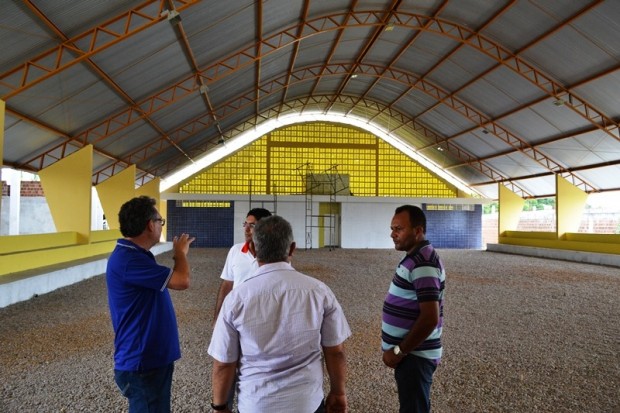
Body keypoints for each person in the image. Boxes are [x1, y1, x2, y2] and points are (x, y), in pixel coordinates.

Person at [208, 215, 351, 413]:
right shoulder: (319, 292)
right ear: (292, 248)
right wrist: (338, 392)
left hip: (255, 403)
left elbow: (223, 363)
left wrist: (220, 406)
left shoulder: (236, 299)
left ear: (254, 250)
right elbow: (335, 351)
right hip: (306, 403)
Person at [106, 196, 195, 413]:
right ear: (149, 224)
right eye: (160, 221)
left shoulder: (137, 255)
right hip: (143, 361)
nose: (160, 225)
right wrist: (180, 254)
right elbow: (182, 281)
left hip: (150, 358)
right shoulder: (129, 259)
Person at [381, 205, 446, 413]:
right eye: (392, 228)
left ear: (418, 231)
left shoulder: (423, 263)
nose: (393, 234)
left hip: (415, 357)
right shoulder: (414, 256)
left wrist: (399, 351)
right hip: (412, 356)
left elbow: (430, 318)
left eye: (398, 229)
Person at [213, 208, 272, 322]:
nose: (246, 229)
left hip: (265, 317)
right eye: (245, 224)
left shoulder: (275, 255)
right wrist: (218, 318)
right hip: (237, 315)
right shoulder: (235, 250)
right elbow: (227, 284)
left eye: (252, 225)